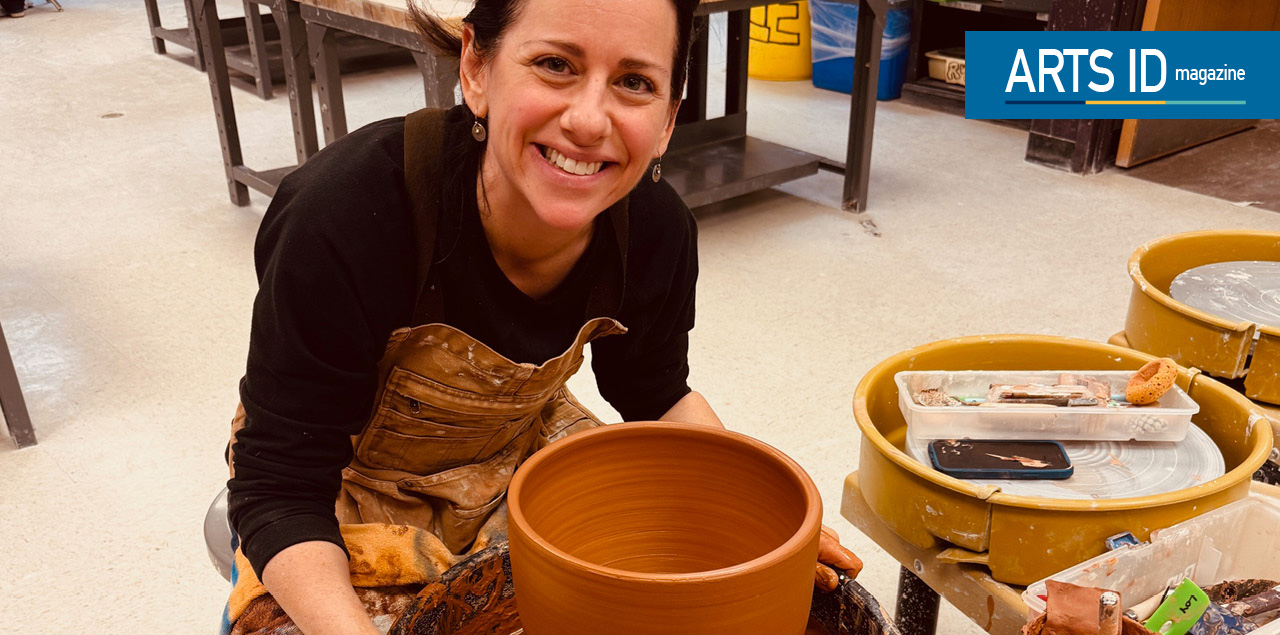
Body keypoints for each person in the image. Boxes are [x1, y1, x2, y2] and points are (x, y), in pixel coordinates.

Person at [221, 0, 863, 632]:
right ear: (476, 68)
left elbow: (655, 393)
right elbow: (280, 482)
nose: (588, 122)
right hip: (342, 481)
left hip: (513, 450)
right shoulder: (348, 212)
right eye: (555, 64)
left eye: (634, 83)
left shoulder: (655, 228)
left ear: (668, 120)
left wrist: (766, 525)